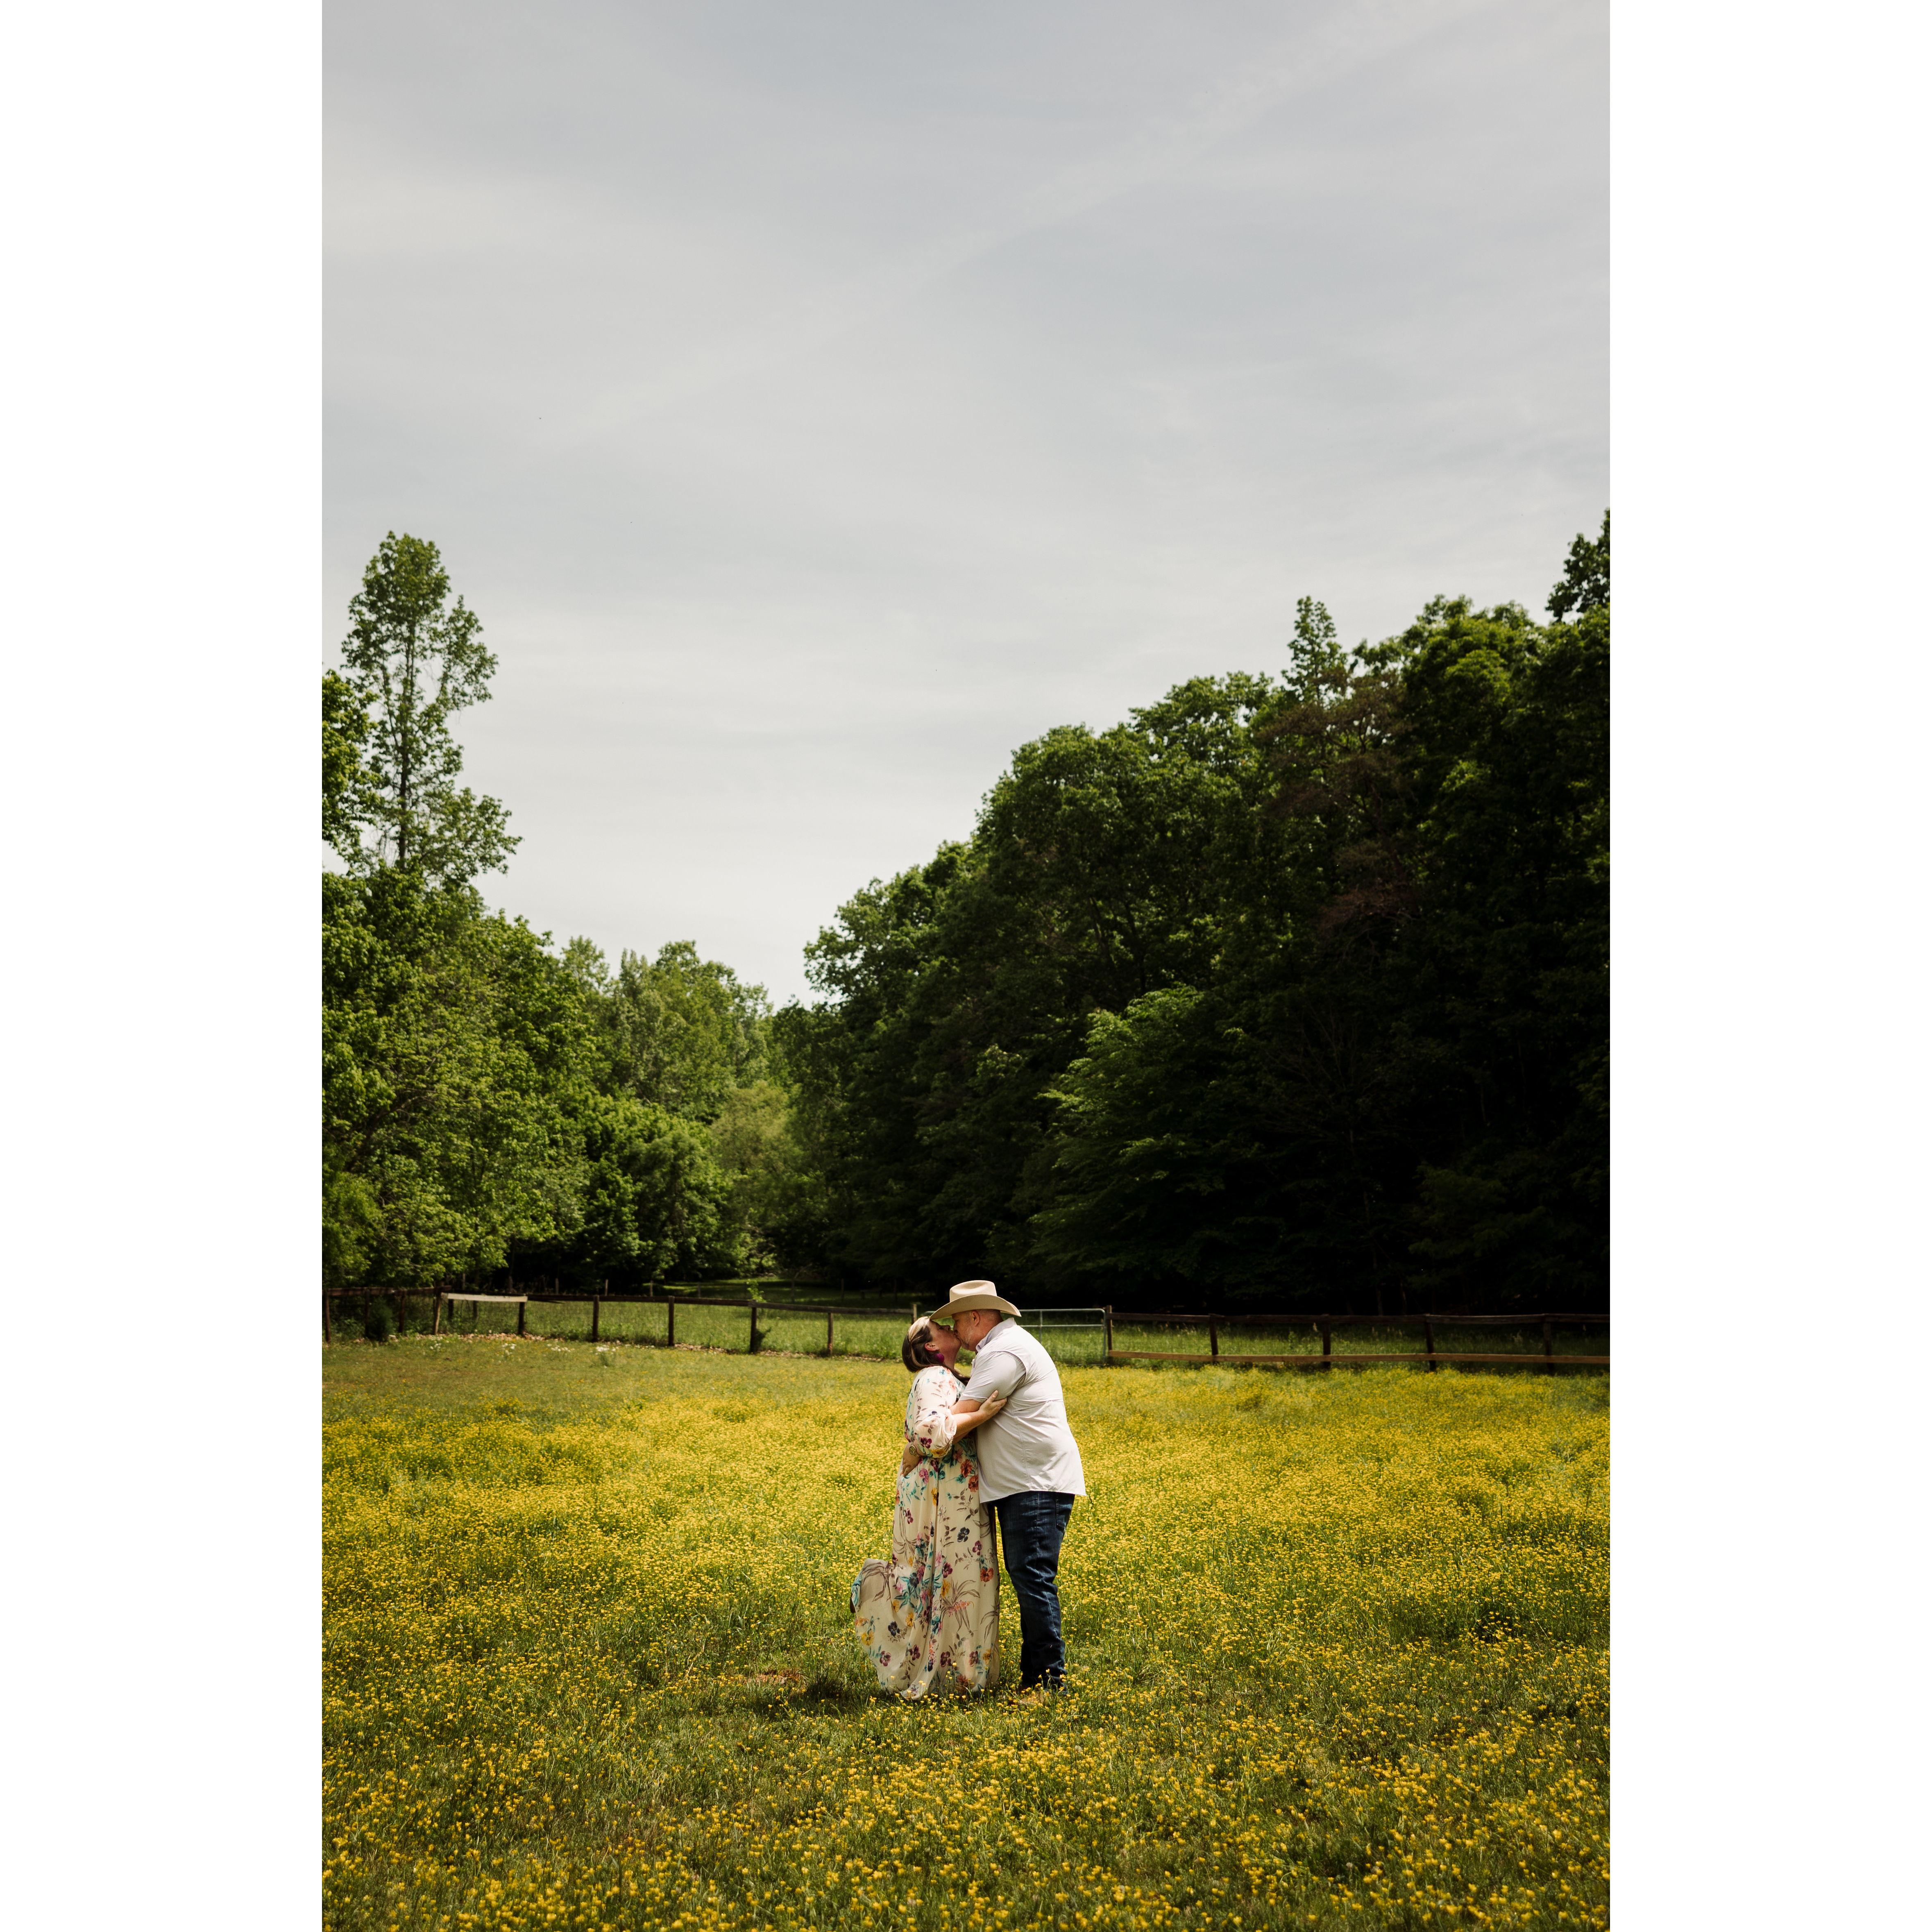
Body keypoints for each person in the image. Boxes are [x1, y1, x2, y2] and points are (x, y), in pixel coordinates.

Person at [932, 1281, 1086, 1691]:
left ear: (977, 1318)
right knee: (1028, 1576)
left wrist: (923, 1433)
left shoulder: (1004, 1352)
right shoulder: (999, 1349)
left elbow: (957, 1418)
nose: (957, 1332)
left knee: (1032, 1577)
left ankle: (1048, 1681)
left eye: (958, 1321)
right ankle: (1036, 1676)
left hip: (1035, 1483)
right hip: (1024, 1481)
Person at [850, 1315, 1007, 1699]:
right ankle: (952, 1675)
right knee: (947, 1576)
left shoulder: (950, 1378)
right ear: (932, 1347)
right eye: (938, 1325)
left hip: (948, 1490)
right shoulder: (933, 1377)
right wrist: (982, 1415)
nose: (948, 1324)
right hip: (942, 1493)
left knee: (948, 1576)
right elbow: (930, 1432)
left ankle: (954, 1673)